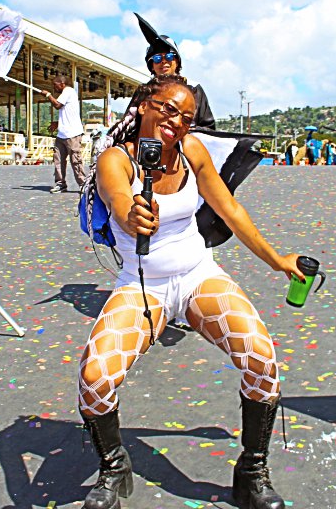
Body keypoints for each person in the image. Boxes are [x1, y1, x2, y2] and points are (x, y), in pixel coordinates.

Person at [77, 75, 302, 509]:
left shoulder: (192, 150)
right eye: (166, 108)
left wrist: (278, 261)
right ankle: (114, 466)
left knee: (262, 357)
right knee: (94, 378)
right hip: (145, 287)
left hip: (199, 276)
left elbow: (230, 209)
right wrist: (132, 214)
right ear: (143, 105)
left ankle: (252, 472)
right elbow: (119, 200)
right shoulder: (115, 160)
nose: (175, 121)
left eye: (185, 116)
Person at [135, 13, 215, 130]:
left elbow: (209, 128)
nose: (163, 61)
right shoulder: (143, 91)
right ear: (151, 66)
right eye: (157, 58)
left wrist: (184, 132)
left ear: (177, 61)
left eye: (169, 57)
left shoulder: (194, 89)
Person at [42, 75, 86, 193]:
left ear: (62, 84)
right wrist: (58, 123)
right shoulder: (66, 94)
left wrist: (47, 95)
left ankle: (83, 184)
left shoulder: (68, 91)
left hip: (73, 134)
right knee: (58, 160)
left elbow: (57, 105)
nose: (53, 87)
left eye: (55, 84)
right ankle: (60, 183)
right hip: (62, 134)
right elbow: (67, 113)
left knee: (75, 160)